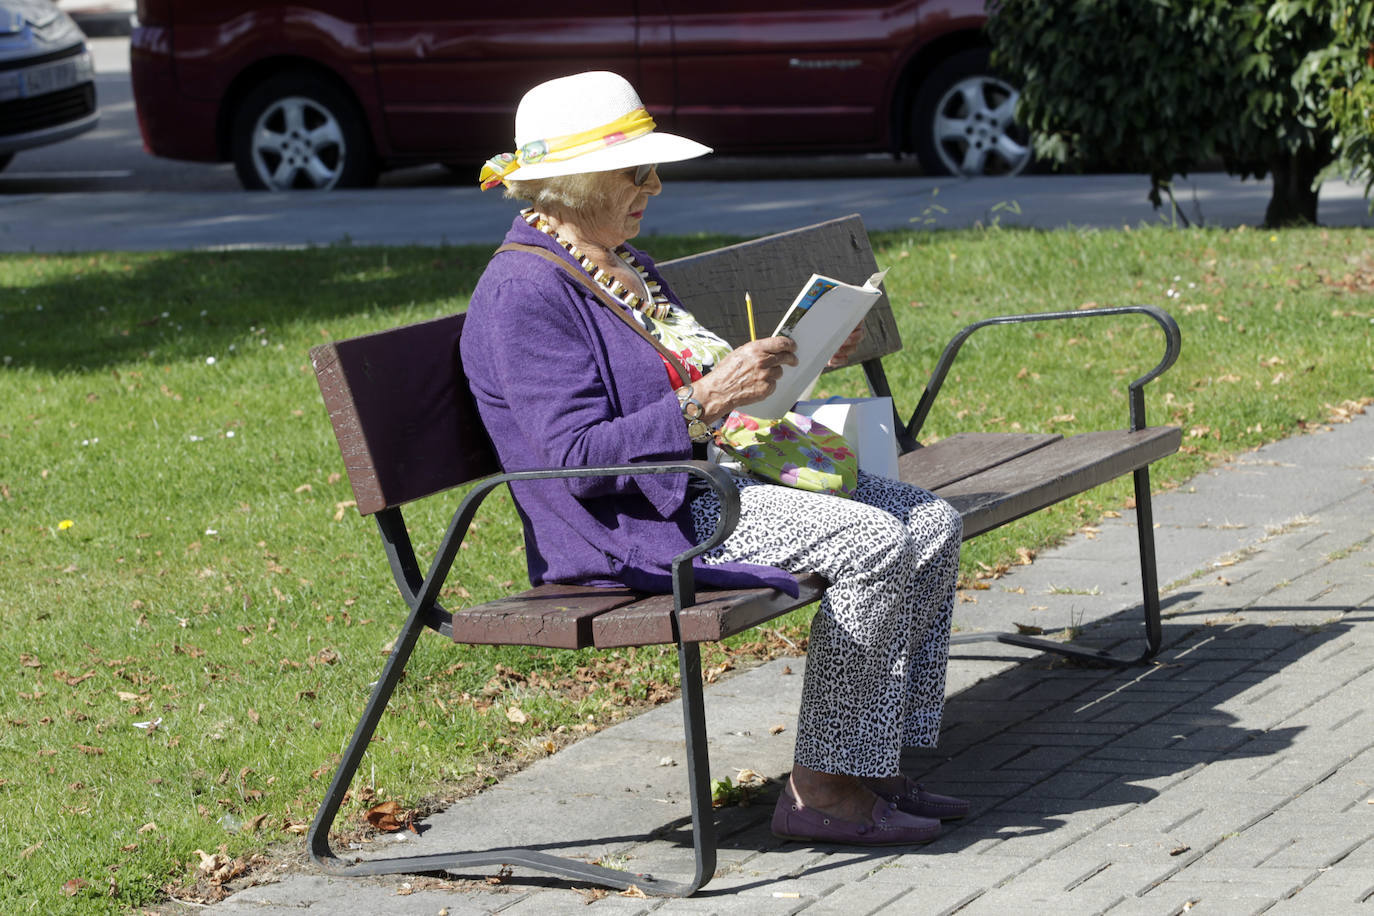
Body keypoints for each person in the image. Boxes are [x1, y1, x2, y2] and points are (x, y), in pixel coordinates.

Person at [461, 71, 966, 846]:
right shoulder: (523, 291)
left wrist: (805, 360)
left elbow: (702, 382)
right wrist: (703, 404)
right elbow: (573, 459)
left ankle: (872, 762)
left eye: (652, 169)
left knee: (929, 521)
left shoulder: (622, 265)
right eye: (636, 171)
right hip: (642, 519)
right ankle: (823, 790)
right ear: (571, 184)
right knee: (872, 542)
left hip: (704, 480)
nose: (654, 185)